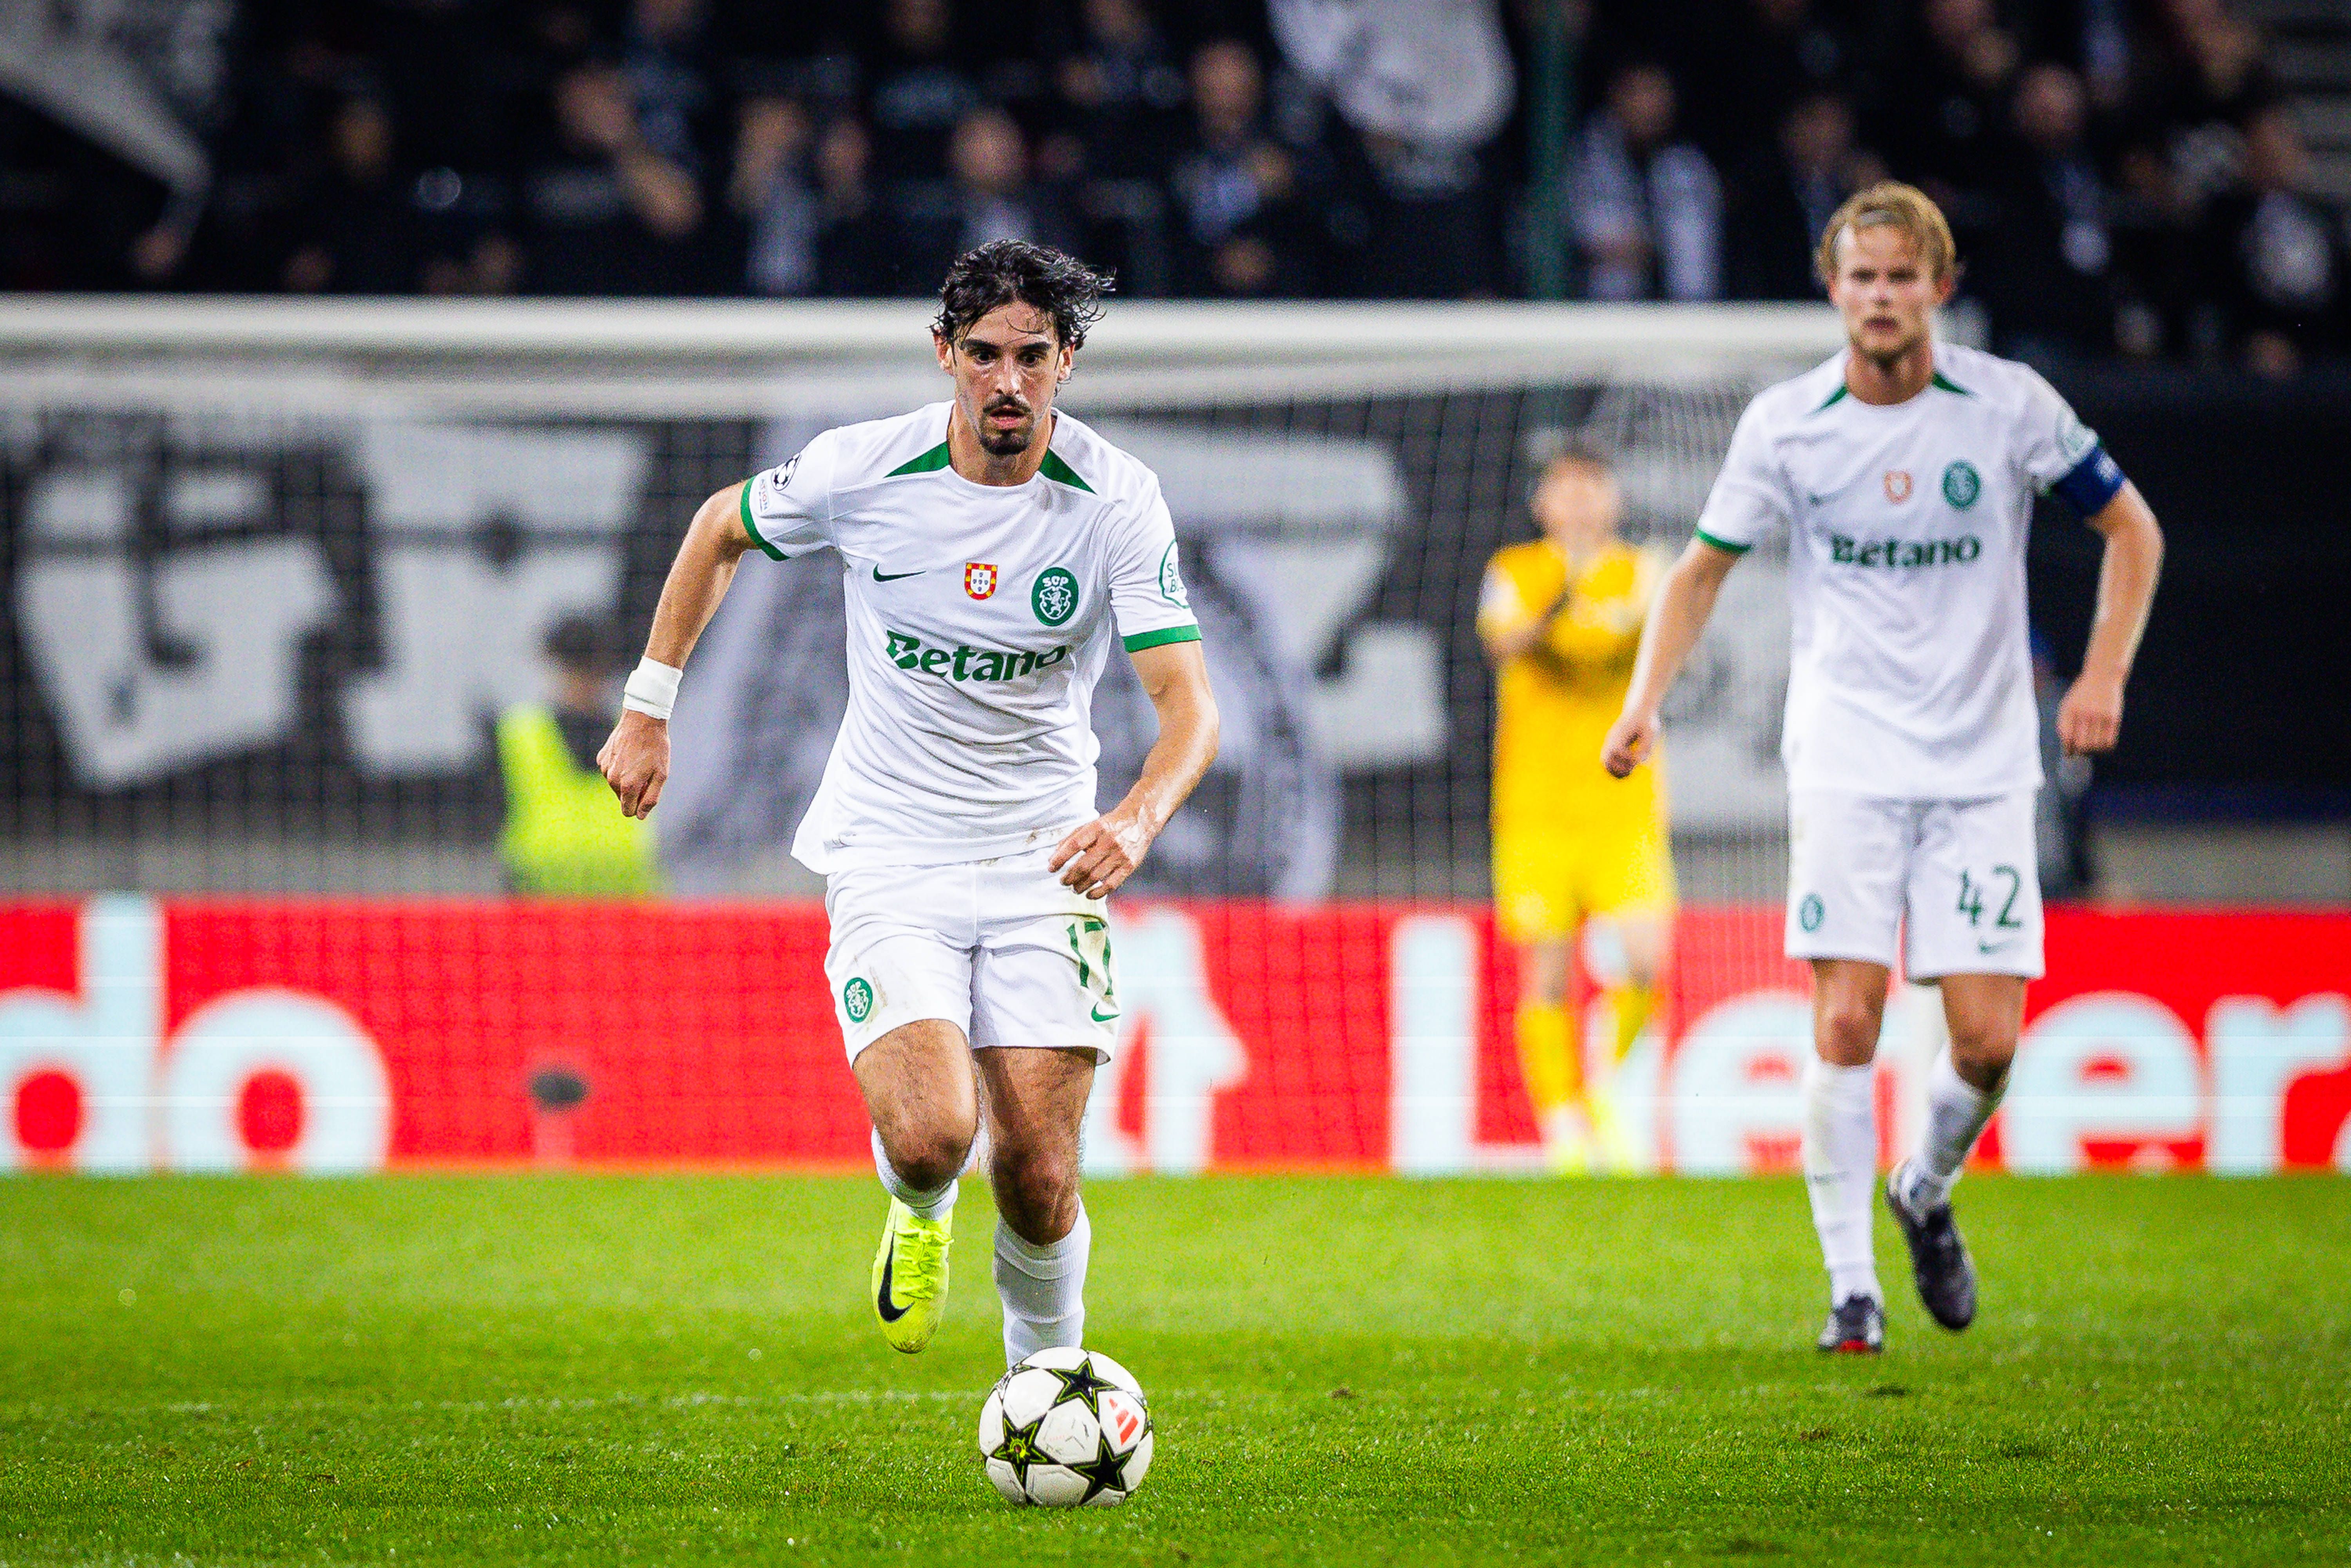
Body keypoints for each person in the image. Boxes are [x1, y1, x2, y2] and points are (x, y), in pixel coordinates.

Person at [596, 241, 1219, 1367]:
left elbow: (1191, 708)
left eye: (1033, 355)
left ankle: (1048, 1379)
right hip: (891, 851)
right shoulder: (862, 471)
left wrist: (1136, 819)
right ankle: (918, 1210)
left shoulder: (1117, 497)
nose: (1008, 382)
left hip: (1045, 857)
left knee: (1037, 1175)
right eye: (983, 355)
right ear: (944, 356)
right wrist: (649, 706)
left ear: (1068, 361)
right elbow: (717, 529)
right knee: (935, 1137)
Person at [1601, 183, 2163, 1353]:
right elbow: (1699, 568)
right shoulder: (1786, 422)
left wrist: (2102, 673)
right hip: (1846, 755)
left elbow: (2130, 528)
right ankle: (1848, 1287)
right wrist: (1642, 698)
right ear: (1832, 289)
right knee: (1847, 1019)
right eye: (1860, 277)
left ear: (1936, 290)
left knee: (1985, 1042)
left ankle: (1923, 1182)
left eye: (1900, 277)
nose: (1878, 297)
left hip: (1980, 764)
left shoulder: (2006, 407)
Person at [1480, 448, 1675, 1172]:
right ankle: (1565, 1131)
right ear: (1543, 504)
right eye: (1566, 490)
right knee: (1550, 973)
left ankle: (1605, 1093)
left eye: (1593, 489)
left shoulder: (1645, 570)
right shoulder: (1516, 571)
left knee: (1650, 960)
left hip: (1623, 803)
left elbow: (1651, 639)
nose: (1581, 503)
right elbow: (1506, 643)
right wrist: (1565, 593)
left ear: (1613, 500)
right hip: (1534, 806)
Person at [498, 616, 662, 897]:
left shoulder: (643, 735)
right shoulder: (521, 734)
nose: (584, 682)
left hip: (621, 907)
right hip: (549, 906)